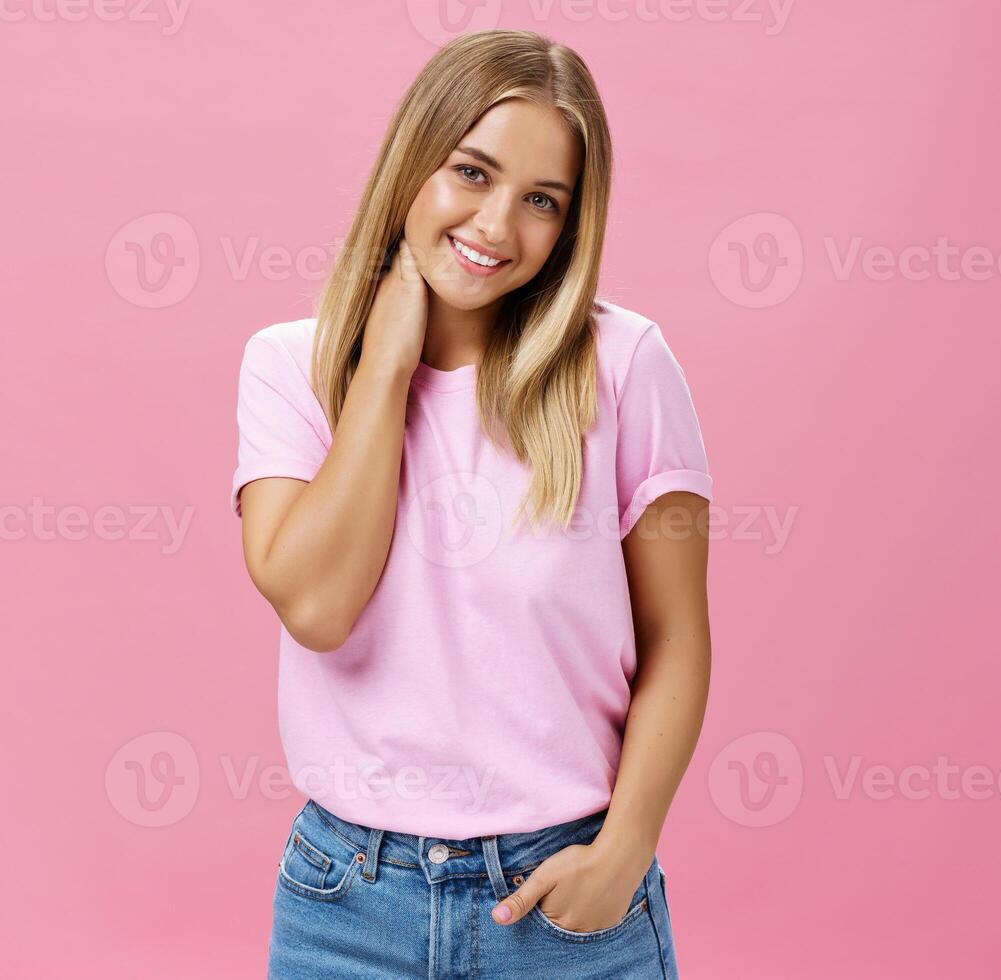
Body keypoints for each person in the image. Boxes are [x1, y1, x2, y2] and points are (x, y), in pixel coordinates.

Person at [232, 30, 710, 978]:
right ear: (415, 160)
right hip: (346, 902)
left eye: (542, 201)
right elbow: (319, 607)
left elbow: (678, 638)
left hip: (563, 892)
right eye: (472, 173)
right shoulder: (289, 366)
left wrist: (623, 851)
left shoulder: (625, 367)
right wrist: (386, 369)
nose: (497, 226)